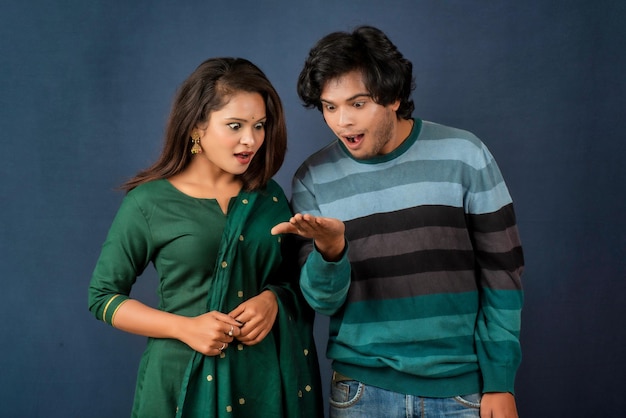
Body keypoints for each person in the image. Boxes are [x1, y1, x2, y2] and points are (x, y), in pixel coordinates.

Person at [272, 26, 524, 418]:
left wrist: (499, 381)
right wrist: (331, 250)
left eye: (357, 104)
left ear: (393, 97)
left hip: (461, 392)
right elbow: (322, 301)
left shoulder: (465, 155)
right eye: (330, 106)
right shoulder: (312, 178)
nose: (342, 122)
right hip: (360, 393)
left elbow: (503, 273)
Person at [88, 57, 322, 418]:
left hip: (264, 381)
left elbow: (296, 279)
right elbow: (102, 297)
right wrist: (185, 327)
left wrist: (273, 300)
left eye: (259, 126)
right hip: (181, 375)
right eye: (235, 125)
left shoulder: (268, 196)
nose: (251, 140)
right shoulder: (149, 202)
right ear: (198, 125)